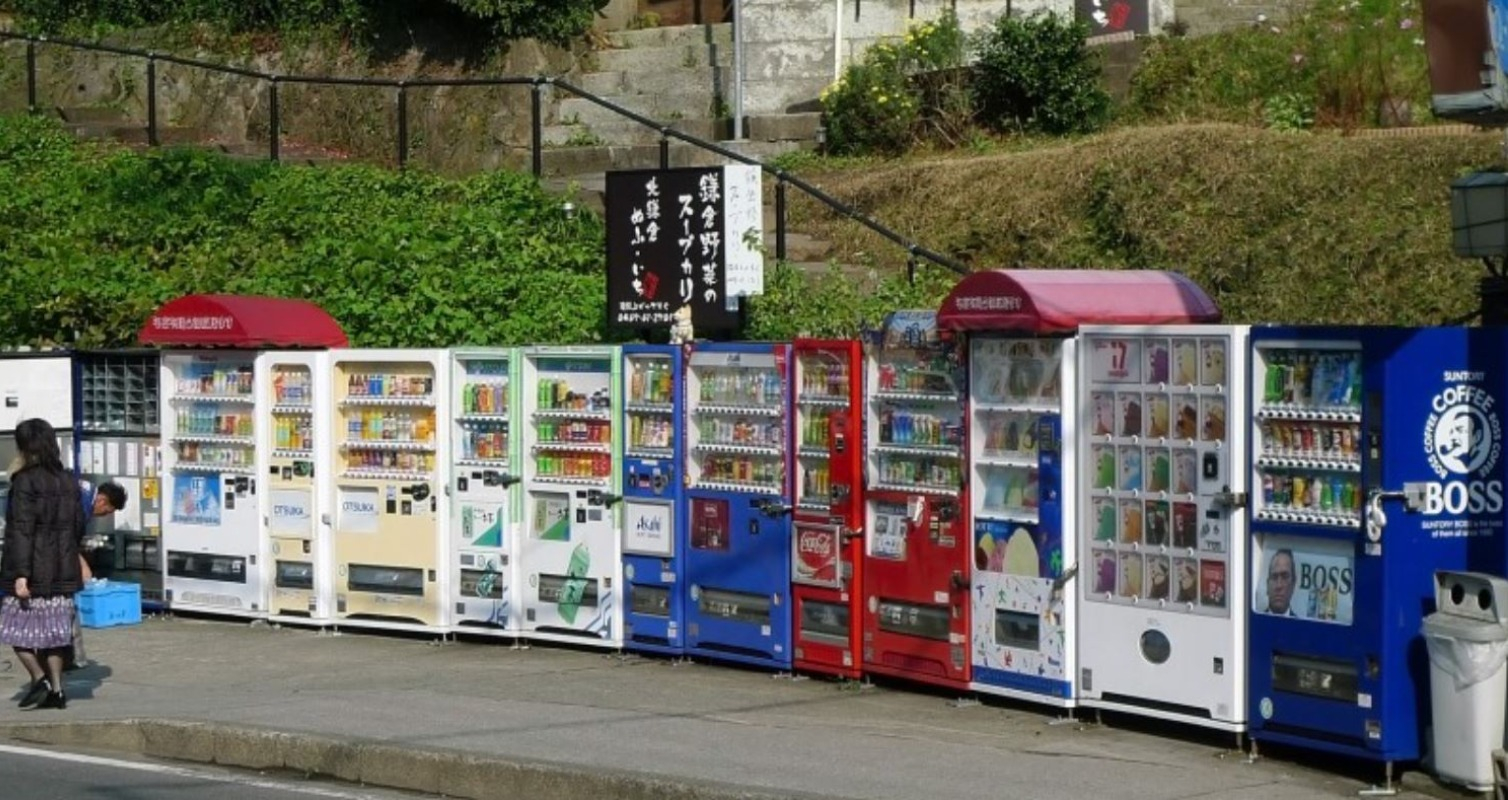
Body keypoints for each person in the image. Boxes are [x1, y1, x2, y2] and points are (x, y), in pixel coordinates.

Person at [1, 418, 88, 710]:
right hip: (63, 569)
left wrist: (21, 574)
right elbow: (79, 526)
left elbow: (22, 530)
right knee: (54, 635)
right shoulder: (69, 480)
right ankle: (58, 691)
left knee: (14, 629)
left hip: (32, 571)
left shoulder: (24, 481)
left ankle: (39, 679)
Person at [66, 480, 127, 671]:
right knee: (65, 607)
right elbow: (66, 538)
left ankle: (71, 656)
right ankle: (72, 657)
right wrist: (82, 564)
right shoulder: (82, 505)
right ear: (101, 501)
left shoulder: (81, 490)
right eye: (108, 511)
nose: (104, 515)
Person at [1264, 549, 1297, 617]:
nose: (1279, 586)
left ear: (1293, 585)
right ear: (1267, 585)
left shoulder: (1301, 627)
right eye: (1274, 577)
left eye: (1285, 577)